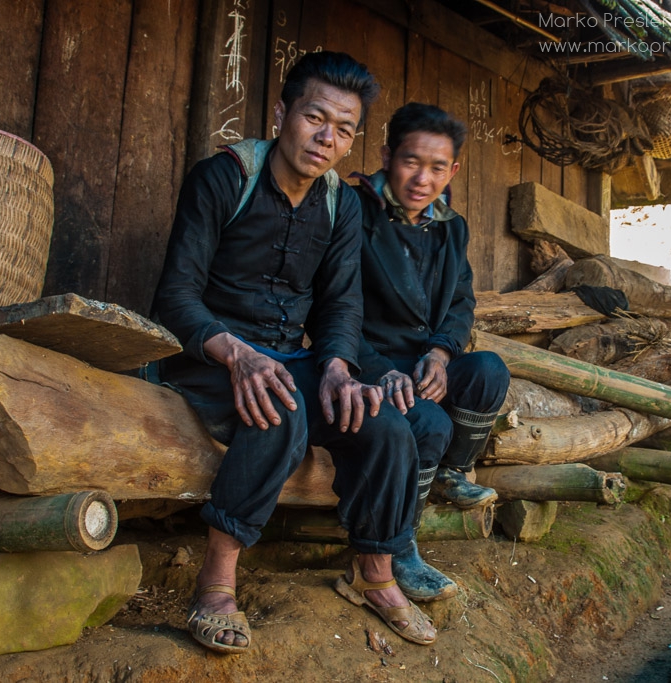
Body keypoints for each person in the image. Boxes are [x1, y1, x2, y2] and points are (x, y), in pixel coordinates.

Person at [152, 52, 436, 654]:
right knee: (279, 408)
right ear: (282, 114)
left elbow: (341, 305)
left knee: (385, 422)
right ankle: (216, 582)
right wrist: (237, 354)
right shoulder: (224, 178)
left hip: (288, 357)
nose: (327, 138)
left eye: (344, 129)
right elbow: (174, 296)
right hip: (208, 356)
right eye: (315, 117)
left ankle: (374, 574)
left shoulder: (341, 204)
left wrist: (336, 367)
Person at [352, 103, 511, 602]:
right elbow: (334, 310)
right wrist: (378, 370)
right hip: (369, 362)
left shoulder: (450, 226)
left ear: (453, 171)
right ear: (387, 157)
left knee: (488, 370)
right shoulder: (354, 213)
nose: (423, 179)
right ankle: (401, 546)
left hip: (425, 362)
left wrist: (442, 354)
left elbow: (461, 302)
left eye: (437, 167)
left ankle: (448, 473)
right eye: (411, 162)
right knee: (430, 422)